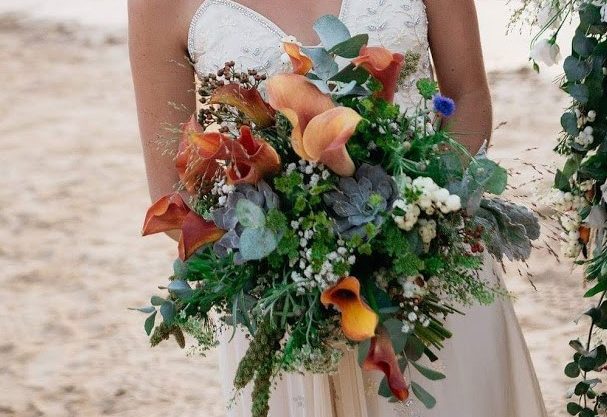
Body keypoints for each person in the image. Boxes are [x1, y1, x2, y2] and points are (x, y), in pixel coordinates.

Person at [128, 1, 548, 415]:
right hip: (288, 314)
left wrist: (417, 214)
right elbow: (175, 193)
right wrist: (294, 257)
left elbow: (468, 95)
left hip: (432, 274)